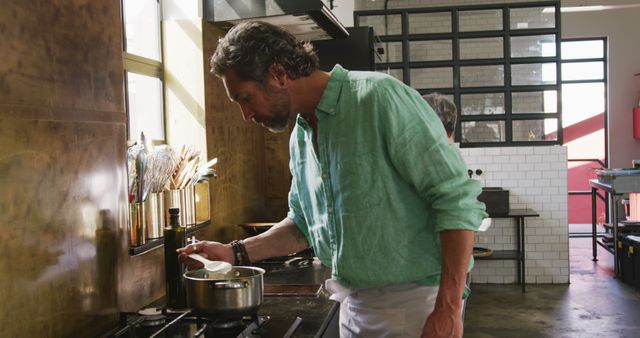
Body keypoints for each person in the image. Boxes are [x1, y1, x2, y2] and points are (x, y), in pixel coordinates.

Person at [178, 21, 486, 338]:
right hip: (353, 306)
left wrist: (447, 310)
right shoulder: (300, 134)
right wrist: (234, 253)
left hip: (417, 304)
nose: (246, 114)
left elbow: (456, 201)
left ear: (278, 74)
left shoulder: (379, 98)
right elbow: (302, 226)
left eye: (245, 98)